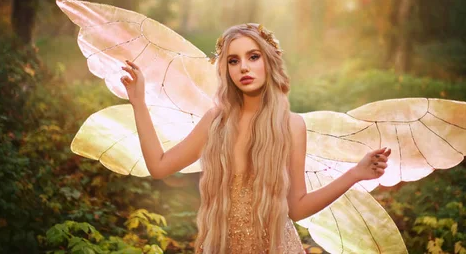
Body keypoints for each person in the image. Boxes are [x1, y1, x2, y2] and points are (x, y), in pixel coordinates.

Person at [120, 23, 391, 253]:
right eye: (233, 61)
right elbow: (159, 166)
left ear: (268, 61)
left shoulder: (291, 125)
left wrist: (355, 173)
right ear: (226, 70)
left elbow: (296, 208)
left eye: (253, 57)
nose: (243, 68)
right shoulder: (217, 121)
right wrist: (138, 103)